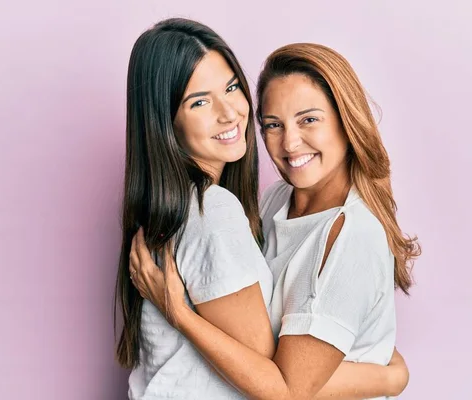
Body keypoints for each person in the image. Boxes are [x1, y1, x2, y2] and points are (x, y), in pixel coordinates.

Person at [129, 42, 420, 399]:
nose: (290, 143)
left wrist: (179, 313)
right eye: (272, 125)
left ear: (347, 121)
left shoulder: (351, 236)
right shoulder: (274, 201)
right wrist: (388, 378)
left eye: (308, 119)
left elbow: (288, 390)